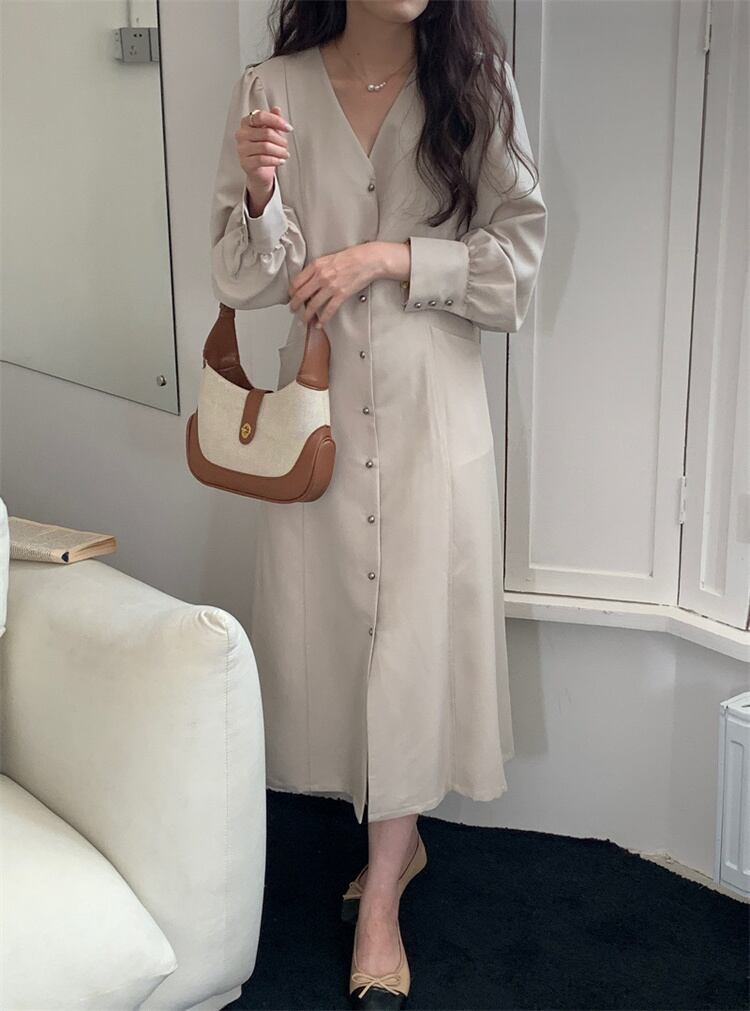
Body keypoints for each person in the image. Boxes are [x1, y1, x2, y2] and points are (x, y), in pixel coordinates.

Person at [210, 0, 547, 1005]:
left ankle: (385, 895)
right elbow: (243, 277)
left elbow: (518, 271)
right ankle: (395, 847)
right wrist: (262, 192)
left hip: (429, 418)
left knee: (408, 646)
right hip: (320, 421)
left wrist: (392, 256)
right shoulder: (270, 89)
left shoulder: (474, 87)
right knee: (338, 637)